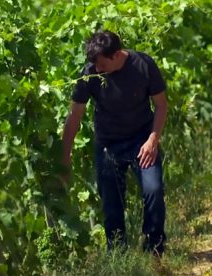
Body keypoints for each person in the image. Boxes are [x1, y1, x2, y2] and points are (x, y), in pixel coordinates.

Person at [61, 30, 168, 256]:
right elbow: (74, 117)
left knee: (154, 190)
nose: (98, 70)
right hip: (108, 144)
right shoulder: (89, 73)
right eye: (95, 65)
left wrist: (153, 138)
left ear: (117, 55)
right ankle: (118, 258)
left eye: (101, 65)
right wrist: (65, 156)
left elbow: (161, 105)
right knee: (111, 205)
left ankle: (154, 250)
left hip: (142, 139)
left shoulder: (143, 64)